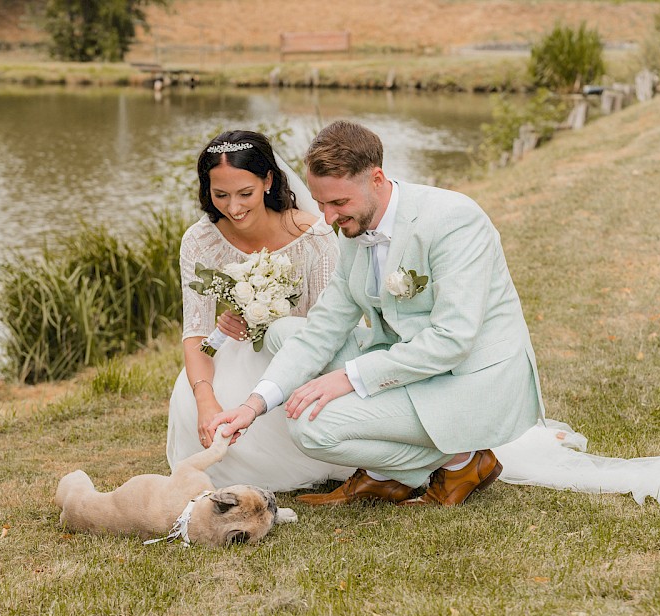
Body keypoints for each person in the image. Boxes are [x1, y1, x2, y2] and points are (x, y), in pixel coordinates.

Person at [209, 120, 546, 507]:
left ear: (377, 179)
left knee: (310, 428)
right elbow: (323, 328)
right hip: (408, 358)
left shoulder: (454, 220)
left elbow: (452, 340)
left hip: (469, 378)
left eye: (338, 203)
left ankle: (463, 459)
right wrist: (252, 406)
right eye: (321, 203)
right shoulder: (355, 228)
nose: (328, 218)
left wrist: (349, 378)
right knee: (284, 332)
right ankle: (387, 475)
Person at [165, 130, 353, 491]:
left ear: (267, 180)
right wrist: (205, 400)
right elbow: (197, 333)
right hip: (237, 352)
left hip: (305, 355)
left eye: (244, 194)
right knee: (194, 401)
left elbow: (330, 327)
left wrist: (269, 324)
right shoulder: (199, 241)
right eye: (221, 195)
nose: (234, 207)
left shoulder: (313, 236)